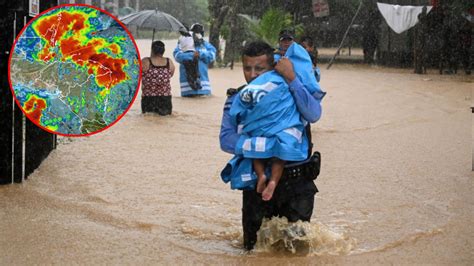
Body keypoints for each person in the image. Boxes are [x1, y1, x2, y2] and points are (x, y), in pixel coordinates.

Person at [219, 41, 325, 250]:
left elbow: (314, 114)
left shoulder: (291, 90)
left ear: (272, 68)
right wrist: (270, 146)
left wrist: (293, 78)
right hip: (256, 188)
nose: (252, 75)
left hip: (297, 184)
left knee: (298, 251)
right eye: (247, 68)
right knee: (254, 249)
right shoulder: (239, 98)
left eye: (259, 68)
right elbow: (226, 139)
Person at [173, 23, 217, 97]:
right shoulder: (182, 43)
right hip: (187, 88)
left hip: (204, 87)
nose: (197, 34)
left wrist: (200, 54)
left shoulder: (205, 44)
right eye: (195, 31)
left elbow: (212, 56)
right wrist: (192, 55)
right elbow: (177, 56)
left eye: (199, 32)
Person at [141, 40, 175, 115]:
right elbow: (171, 75)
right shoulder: (169, 62)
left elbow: (136, 75)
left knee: (149, 120)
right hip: (165, 99)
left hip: (149, 98)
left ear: (152, 50)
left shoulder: (145, 61)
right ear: (163, 51)